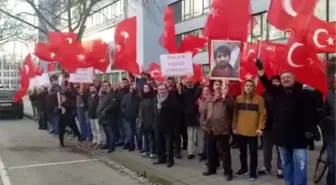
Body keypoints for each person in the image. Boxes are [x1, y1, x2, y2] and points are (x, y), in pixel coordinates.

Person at [255, 59, 317, 185]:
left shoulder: (303, 92)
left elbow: (312, 112)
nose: (285, 79)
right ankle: (289, 182)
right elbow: (266, 83)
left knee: (300, 164)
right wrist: (261, 70)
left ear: (293, 79)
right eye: (283, 78)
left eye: (288, 77)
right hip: (281, 136)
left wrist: (310, 129)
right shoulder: (277, 91)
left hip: (299, 136)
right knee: (286, 163)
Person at [233, 79, 266, 180]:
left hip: (253, 131)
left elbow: (262, 114)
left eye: (250, 85)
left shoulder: (259, 99)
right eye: (246, 85)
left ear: (253, 87)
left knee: (253, 153)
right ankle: (244, 169)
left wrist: (261, 128)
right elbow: (235, 114)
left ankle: (253, 172)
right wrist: (234, 126)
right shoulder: (238, 99)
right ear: (243, 87)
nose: (248, 87)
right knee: (242, 152)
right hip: (240, 130)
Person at [202, 85, 234, 181]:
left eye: (220, 90)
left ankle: (228, 172)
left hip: (223, 130)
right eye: (216, 90)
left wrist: (226, 97)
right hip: (210, 129)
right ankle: (211, 168)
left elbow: (232, 106)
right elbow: (204, 113)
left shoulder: (226, 101)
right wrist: (204, 123)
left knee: (224, 152)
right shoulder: (209, 101)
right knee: (210, 150)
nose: (218, 92)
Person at [258, 75, 283, 179]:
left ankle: (280, 169)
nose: (275, 83)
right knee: (267, 149)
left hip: (280, 126)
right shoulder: (264, 94)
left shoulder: (283, 94)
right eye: (273, 81)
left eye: (277, 81)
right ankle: (266, 167)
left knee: (280, 149)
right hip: (267, 126)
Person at [153, 84, 179, 167]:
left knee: (169, 145)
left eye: (163, 89)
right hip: (158, 125)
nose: (162, 91)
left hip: (168, 125)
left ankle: (170, 160)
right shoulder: (155, 99)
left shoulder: (172, 99)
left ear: (166, 90)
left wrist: (174, 125)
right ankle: (161, 158)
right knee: (159, 143)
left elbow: (176, 113)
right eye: (160, 89)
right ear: (157, 90)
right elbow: (153, 112)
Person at [180, 78, 201, 159]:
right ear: (185, 83)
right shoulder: (183, 92)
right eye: (188, 82)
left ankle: (200, 150)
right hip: (189, 116)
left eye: (191, 82)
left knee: (198, 135)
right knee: (190, 135)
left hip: (197, 116)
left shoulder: (197, 90)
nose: (189, 84)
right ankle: (190, 152)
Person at [97, 81, 120, 153]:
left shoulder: (112, 94)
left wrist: (105, 110)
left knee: (111, 132)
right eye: (103, 85)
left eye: (106, 85)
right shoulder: (105, 95)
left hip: (109, 117)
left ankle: (112, 147)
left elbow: (113, 105)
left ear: (110, 86)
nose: (104, 87)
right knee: (106, 132)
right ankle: (107, 144)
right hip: (103, 117)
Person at [121, 84, 141, 151]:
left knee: (138, 133)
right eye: (131, 88)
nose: (132, 89)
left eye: (133, 88)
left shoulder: (138, 97)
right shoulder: (125, 96)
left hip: (136, 117)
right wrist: (125, 113)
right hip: (128, 117)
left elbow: (140, 106)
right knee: (130, 133)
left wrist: (138, 115)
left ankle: (139, 146)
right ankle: (131, 146)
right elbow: (122, 106)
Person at [139, 84, 156, 158]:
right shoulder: (142, 98)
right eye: (144, 88)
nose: (145, 89)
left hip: (150, 121)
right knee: (145, 137)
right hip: (143, 121)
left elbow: (154, 111)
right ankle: (147, 151)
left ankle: (153, 152)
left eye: (147, 88)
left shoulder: (153, 98)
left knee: (151, 138)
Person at [198, 86, 212, 161]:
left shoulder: (211, 100)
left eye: (207, 90)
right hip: (202, 122)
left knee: (208, 139)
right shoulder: (201, 100)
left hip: (208, 122)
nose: (205, 92)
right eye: (204, 91)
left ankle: (206, 155)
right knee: (205, 139)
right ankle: (204, 153)